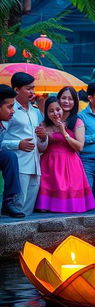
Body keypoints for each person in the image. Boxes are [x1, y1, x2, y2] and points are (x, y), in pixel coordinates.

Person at [35, 96, 95, 213]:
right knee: (46, 208)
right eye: (51, 111)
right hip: (49, 164)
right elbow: (40, 148)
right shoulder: (43, 125)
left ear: (62, 109)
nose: (55, 113)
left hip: (70, 164)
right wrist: (42, 138)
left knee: (70, 206)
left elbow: (79, 147)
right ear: (46, 113)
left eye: (58, 109)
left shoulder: (75, 123)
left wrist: (64, 133)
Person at [1, 72, 48, 215]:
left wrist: (43, 137)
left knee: (28, 211)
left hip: (35, 164)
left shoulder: (35, 112)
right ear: (16, 90)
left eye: (33, 88)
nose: (32, 92)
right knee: (17, 207)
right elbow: (1, 142)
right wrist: (18, 144)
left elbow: (41, 144)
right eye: (28, 88)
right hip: (18, 165)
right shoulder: (7, 110)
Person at [0, 84, 24, 217]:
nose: (13, 111)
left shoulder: (4, 124)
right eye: (9, 107)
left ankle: (8, 202)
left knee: (9, 156)